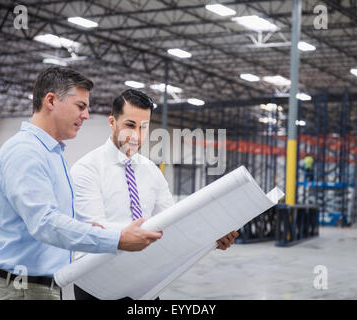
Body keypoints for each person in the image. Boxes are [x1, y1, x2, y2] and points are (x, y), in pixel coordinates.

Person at [0, 67, 162, 300]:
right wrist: (118, 239)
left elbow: (62, 221)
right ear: (51, 101)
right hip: (19, 291)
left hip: (42, 287)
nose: (86, 115)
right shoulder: (25, 152)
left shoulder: (54, 154)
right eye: (81, 106)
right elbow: (45, 223)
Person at [70, 89, 239, 300]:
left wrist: (211, 236)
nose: (137, 136)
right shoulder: (87, 169)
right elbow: (92, 231)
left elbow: (173, 221)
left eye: (144, 127)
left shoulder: (151, 171)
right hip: (98, 285)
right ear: (112, 122)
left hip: (144, 283)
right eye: (130, 125)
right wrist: (132, 235)